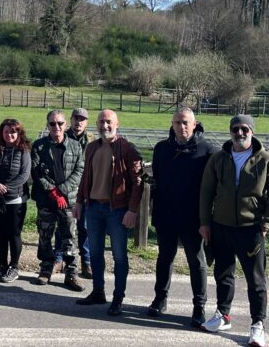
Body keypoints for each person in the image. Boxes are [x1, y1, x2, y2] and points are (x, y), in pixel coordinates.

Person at [199, 115, 268, 347]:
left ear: (252, 131)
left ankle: (258, 324)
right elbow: (206, 192)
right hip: (221, 226)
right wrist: (205, 223)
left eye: (244, 129)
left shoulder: (265, 160)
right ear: (230, 131)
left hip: (251, 230)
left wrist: (265, 224)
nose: (240, 133)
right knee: (223, 273)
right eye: (235, 129)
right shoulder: (218, 158)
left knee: (255, 280)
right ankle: (223, 315)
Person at [147, 107, 216, 327]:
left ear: (194, 124)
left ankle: (199, 305)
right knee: (164, 258)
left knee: (196, 262)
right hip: (166, 215)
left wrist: (208, 219)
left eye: (186, 122)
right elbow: (156, 179)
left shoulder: (207, 151)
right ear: (172, 124)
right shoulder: (161, 149)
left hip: (193, 218)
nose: (182, 127)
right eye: (177, 123)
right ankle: (160, 298)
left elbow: (213, 187)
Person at [75, 109, 143, 316]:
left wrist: (132, 210)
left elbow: (138, 183)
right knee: (95, 253)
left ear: (117, 123)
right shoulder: (92, 147)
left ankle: (118, 297)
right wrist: (79, 201)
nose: (105, 126)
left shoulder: (127, 149)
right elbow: (86, 176)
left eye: (109, 122)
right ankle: (98, 292)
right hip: (93, 207)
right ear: (96, 124)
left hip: (118, 210)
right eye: (101, 122)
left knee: (119, 256)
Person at [31, 109, 85, 292]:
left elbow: (79, 171)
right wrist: (52, 192)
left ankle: (71, 272)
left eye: (60, 123)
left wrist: (61, 191)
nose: (56, 127)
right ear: (47, 125)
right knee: (45, 235)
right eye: (52, 124)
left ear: (65, 125)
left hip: (68, 201)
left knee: (70, 237)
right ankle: (46, 267)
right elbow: (36, 172)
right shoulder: (39, 146)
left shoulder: (76, 146)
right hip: (46, 200)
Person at [0, 119, 31, 283]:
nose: (9, 135)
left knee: (14, 234)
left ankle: (14, 267)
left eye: (13, 131)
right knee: (0, 235)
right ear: (1, 133)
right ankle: (2, 265)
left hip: (15, 199)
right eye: (6, 131)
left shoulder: (23, 151)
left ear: (19, 133)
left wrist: (5, 188)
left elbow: (24, 175)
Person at [56, 107, 95, 278]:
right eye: (76, 119)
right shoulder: (62, 136)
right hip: (67, 188)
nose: (79, 122)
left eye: (82, 119)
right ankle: (59, 259)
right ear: (70, 120)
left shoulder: (92, 140)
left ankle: (86, 262)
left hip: (86, 188)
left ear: (87, 122)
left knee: (84, 227)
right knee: (62, 226)